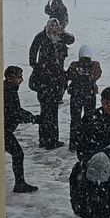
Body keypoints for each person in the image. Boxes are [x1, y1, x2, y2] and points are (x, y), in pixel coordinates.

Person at [28, 17, 74, 149]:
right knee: (46, 110)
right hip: (45, 79)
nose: (54, 28)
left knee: (53, 111)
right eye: (52, 25)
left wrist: (62, 32)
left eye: (56, 25)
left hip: (56, 79)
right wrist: (36, 67)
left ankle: (53, 139)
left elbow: (71, 40)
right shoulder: (41, 36)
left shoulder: (60, 37)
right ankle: (45, 140)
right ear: (47, 26)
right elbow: (32, 52)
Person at [3, 66, 38, 193]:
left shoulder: (10, 89)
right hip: (3, 130)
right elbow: (15, 113)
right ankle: (19, 184)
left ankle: (19, 183)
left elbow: (17, 111)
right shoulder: (7, 92)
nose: (22, 79)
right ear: (10, 78)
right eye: (19, 77)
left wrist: (32, 117)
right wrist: (33, 119)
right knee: (18, 154)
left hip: (4, 129)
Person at [67, 45, 103, 151]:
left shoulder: (74, 65)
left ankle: (74, 143)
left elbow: (68, 75)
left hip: (76, 95)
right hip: (90, 94)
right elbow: (98, 75)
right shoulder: (95, 65)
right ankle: (88, 141)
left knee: (75, 120)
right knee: (90, 118)